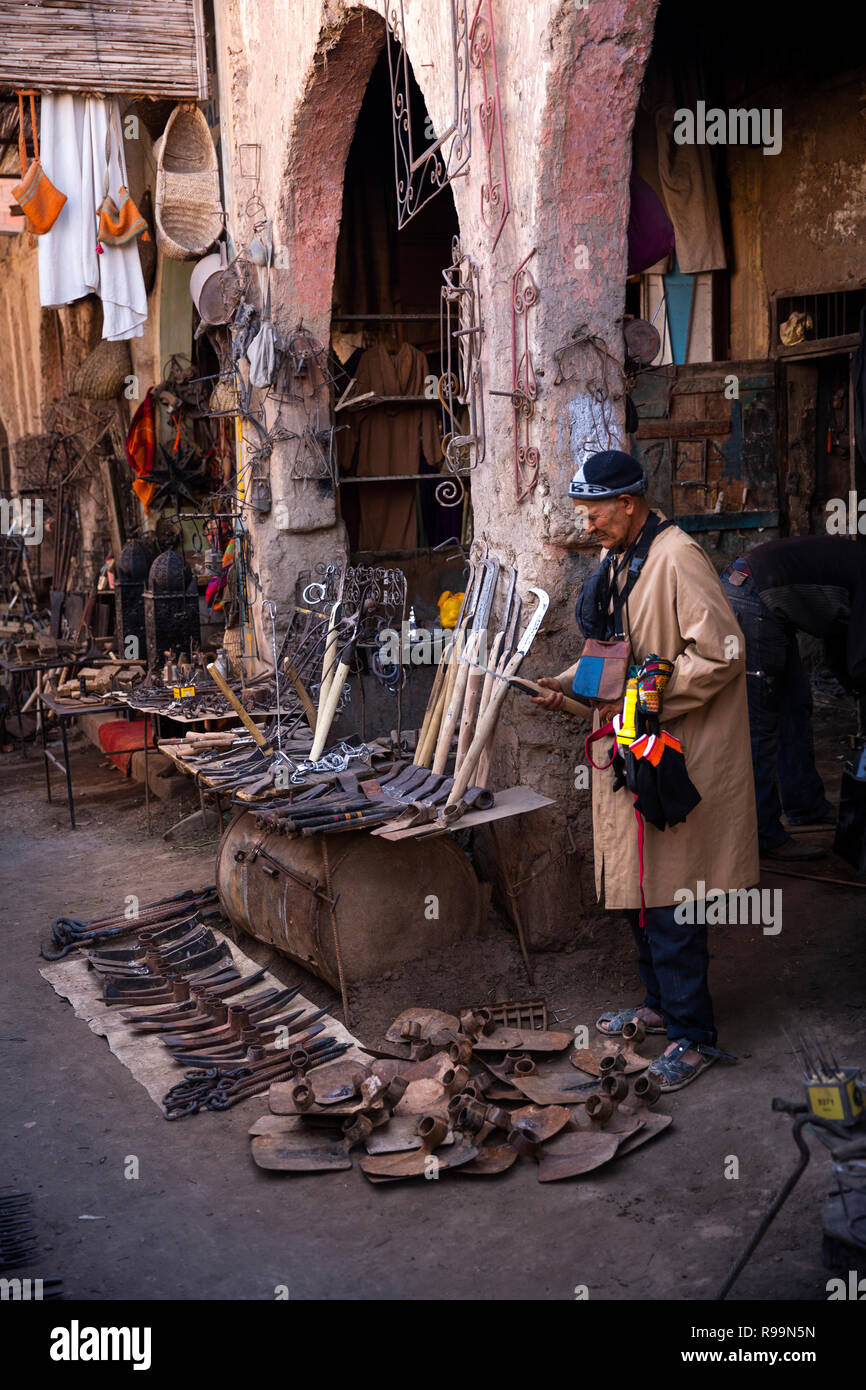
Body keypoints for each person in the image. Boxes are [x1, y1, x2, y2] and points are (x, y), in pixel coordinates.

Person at [533, 450, 759, 1091]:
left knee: (671, 896)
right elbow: (613, 658)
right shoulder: (618, 558)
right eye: (582, 509)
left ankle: (694, 1037)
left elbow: (721, 654)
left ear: (629, 503)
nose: (587, 522)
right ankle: (661, 1007)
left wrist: (641, 698)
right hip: (634, 747)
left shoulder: (677, 556)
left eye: (594, 509)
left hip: (674, 753)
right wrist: (568, 690)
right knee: (640, 891)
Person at [720, 535, 866, 861]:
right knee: (761, 722)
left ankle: (805, 805)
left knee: (795, 706)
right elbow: (860, 661)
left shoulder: (854, 568)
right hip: (751, 598)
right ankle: (765, 836)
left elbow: (840, 647)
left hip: (759, 595)